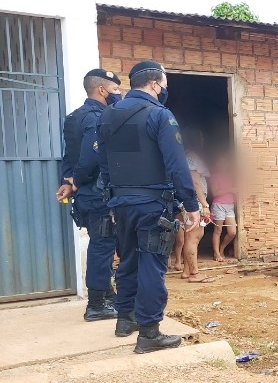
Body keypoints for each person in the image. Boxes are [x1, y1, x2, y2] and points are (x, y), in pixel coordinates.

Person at [98, 61, 200, 353]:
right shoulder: (158, 115)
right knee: (152, 266)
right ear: (155, 84)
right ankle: (150, 333)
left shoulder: (109, 115)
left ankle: (124, 319)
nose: (165, 88)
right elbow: (176, 164)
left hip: (121, 203)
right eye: (165, 83)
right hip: (152, 204)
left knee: (128, 260)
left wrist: (113, 197)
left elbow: (104, 163)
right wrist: (191, 204)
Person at [55, 69, 123, 321]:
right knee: (103, 244)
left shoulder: (74, 116)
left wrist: (67, 180)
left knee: (101, 242)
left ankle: (107, 295)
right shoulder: (97, 117)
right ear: (102, 90)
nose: (119, 95)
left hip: (86, 193)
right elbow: (89, 157)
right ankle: (96, 304)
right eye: (115, 90)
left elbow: (68, 155)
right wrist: (77, 180)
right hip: (96, 191)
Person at [173, 127, 212, 281]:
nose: (203, 140)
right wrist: (204, 204)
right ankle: (194, 274)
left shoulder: (185, 156)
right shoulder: (192, 157)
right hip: (195, 202)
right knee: (194, 237)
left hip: (189, 201)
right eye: (201, 137)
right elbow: (195, 183)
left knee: (192, 235)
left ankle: (187, 272)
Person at [209, 154, 238, 262]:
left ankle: (221, 249)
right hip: (218, 205)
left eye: (224, 162)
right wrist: (230, 189)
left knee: (232, 232)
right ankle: (216, 254)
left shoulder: (231, 176)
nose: (222, 164)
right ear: (216, 165)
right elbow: (215, 192)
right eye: (220, 162)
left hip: (229, 205)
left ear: (228, 164)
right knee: (218, 230)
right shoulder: (215, 176)